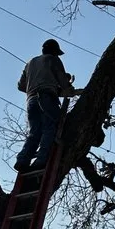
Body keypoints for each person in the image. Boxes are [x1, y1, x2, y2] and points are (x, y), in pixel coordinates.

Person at [14, 39, 81, 171]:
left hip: (31, 100)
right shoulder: (53, 60)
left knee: (35, 132)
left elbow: (21, 86)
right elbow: (63, 82)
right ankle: (41, 159)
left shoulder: (30, 63)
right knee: (50, 127)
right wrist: (69, 88)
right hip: (47, 98)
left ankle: (22, 160)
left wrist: (40, 84)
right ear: (54, 52)